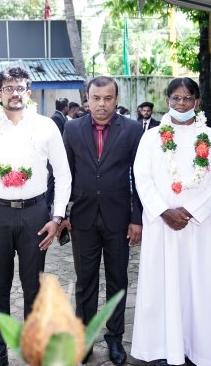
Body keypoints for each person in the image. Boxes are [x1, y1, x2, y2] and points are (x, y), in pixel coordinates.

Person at [0, 66, 71, 366]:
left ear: (28, 92)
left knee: (34, 287)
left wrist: (57, 217)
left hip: (36, 215)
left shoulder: (46, 127)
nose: (15, 93)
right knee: (0, 288)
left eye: (20, 88)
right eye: (8, 88)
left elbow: (63, 174)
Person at [131, 77, 211, 366]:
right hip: (161, 227)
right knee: (162, 287)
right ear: (168, 101)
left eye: (187, 98)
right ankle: (163, 349)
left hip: (198, 227)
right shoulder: (151, 137)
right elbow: (142, 178)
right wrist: (165, 211)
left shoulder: (210, 137)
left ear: (196, 102)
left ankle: (201, 350)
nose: (181, 103)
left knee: (201, 288)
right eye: (176, 98)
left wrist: (191, 211)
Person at [60, 76, 143, 365]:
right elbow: (64, 175)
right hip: (83, 218)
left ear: (116, 99)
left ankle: (115, 339)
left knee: (118, 281)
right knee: (85, 282)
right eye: (96, 98)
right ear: (87, 99)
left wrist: (137, 218)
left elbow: (140, 178)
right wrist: (60, 214)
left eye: (108, 98)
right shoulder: (72, 129)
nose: (102, 104)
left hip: (119, 218)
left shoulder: (132, 130)